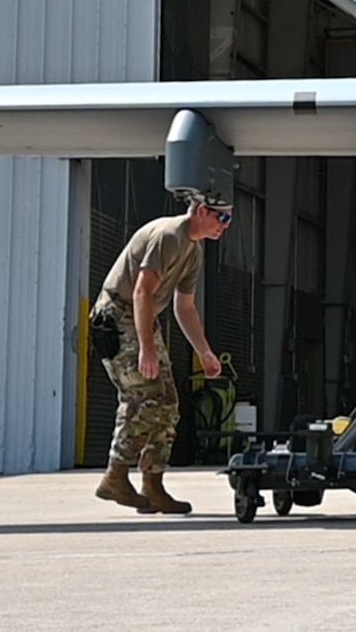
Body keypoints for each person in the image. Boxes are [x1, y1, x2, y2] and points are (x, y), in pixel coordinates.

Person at [92, 200, 231, 514]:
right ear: (201, 211)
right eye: (222, 216)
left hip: (143, 320)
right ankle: (116, 475)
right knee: (144, 397)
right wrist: (147, 349)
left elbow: (185, 308)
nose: (225, 224)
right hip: (118, 316)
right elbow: (142, 292)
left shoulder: (193, 252)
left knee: (168, 400)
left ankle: (153, 486)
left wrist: (204, 351)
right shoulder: (169, 235)